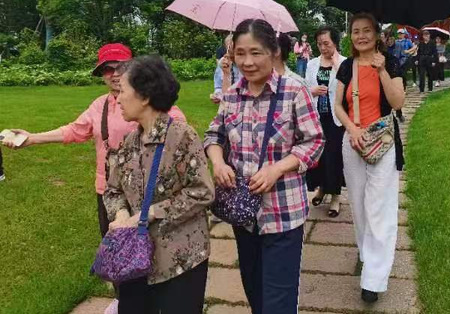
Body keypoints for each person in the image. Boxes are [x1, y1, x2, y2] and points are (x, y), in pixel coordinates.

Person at [3, 43, 186, 314]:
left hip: (147, 194)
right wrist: (32, 138)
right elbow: (74, 130)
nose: (114, 74)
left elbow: (178, 129)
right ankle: (124, 300)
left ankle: (153, 301)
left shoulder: (152, 101)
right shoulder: (100, 105)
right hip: (109, 192)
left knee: (153, 251)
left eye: (120, 67)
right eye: (107, 69)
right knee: (118, 250)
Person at [205, 19, 324, 314]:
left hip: (283, 212)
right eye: (240, 53)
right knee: (254, 290)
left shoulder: (294, 91)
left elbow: (314, 142)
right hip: (244, 213)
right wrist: (218, 162)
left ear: (273, 52)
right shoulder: (231, 95)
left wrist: (277, 169)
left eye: (255, 53)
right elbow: (214, 135)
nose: (247, 62)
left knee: (278, 300)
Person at [104, 55, 214, 313]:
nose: (117, 99)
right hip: (134, 259)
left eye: (123, 91)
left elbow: (202, 192)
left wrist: (150, 213)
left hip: (179, 260)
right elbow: (113, 190)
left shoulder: (182, 136)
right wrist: (121, 216)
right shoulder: (130, 142)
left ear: (144, 96)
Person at [334, 12, 405, 303]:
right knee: (359, 205)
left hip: (383, 143)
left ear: (377, 35)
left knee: (380, 207)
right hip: (353, 141)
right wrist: (352, 129)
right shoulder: (346, 66)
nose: (361, 36)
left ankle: (374, 278)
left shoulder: (391, 62)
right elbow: (337, 105)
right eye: (355, 31)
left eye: (366, 30)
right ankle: (367, 253)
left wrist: (382, 70)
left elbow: (398, 102)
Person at [305, 26, 346, 217]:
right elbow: (305, 88)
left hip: (336, 119)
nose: (323, 48)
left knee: (334, 156)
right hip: (316, 118)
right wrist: (312, 91)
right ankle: (322, 188)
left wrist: (337, 65)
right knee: (319, 156)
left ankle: (336, 196)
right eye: (319, 44)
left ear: (335, 43)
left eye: (326, 44)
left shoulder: (344, 63)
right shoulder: (312, 64)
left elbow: (349, 87)